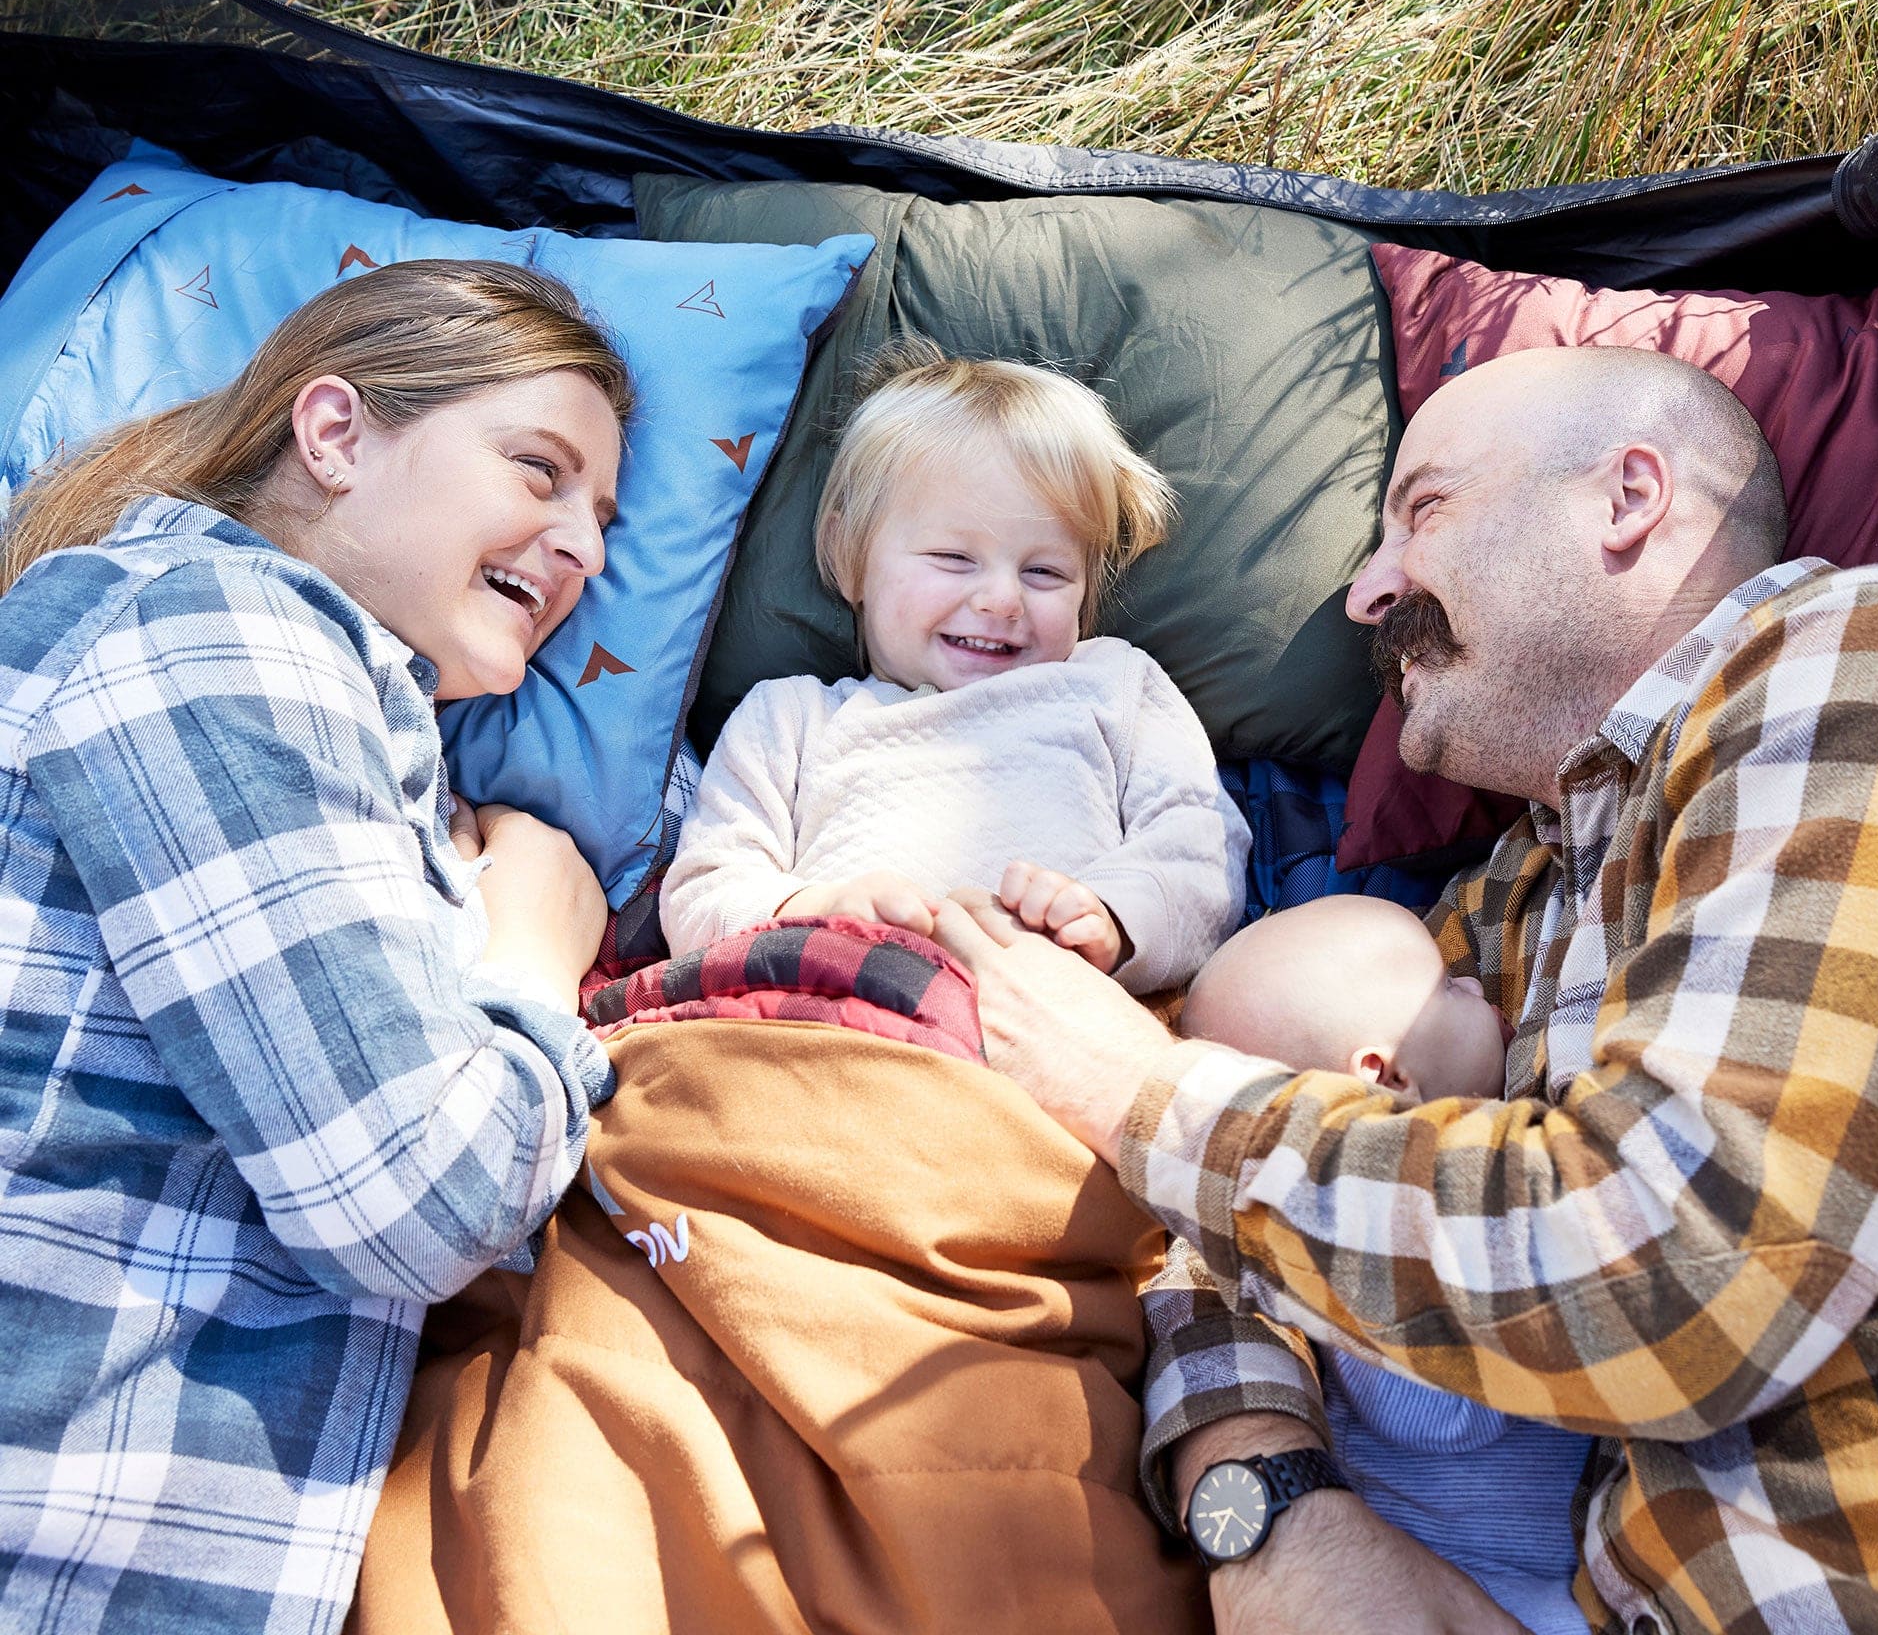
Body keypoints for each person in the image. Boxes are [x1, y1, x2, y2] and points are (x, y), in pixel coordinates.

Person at [932, 342, 1878, 1635]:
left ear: (1630, 497)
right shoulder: (1518, 896)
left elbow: (1685, 1270)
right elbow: (1229, 1237)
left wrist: (1140, 1091)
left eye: (1423, 511)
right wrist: (1266, 1493)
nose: (1364, 594)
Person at [0, 260, 628, 1635]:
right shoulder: (213, 635)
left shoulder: (306, 698)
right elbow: (419, 1198)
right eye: (541, 470)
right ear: (335, 434)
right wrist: (532, 955)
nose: (582, 546)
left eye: (602, 519)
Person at [664, 339, 1248, 992]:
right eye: (953, 558)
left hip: (1052, 1021)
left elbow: (1202, 848)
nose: (1001, 599)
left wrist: (1111, 918)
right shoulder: (789, 718)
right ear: (849, 553)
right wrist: (813, 913)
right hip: (837, 1018)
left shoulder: (1113, 684)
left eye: (1045, 570)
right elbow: (703, 887)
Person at [1185, 898, 1591, 1634]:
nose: (1476, 987)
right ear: (1386, 1073)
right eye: (1446, 985)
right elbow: (1437, 1412)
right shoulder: (1378, 1237)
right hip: (1474, 1577)